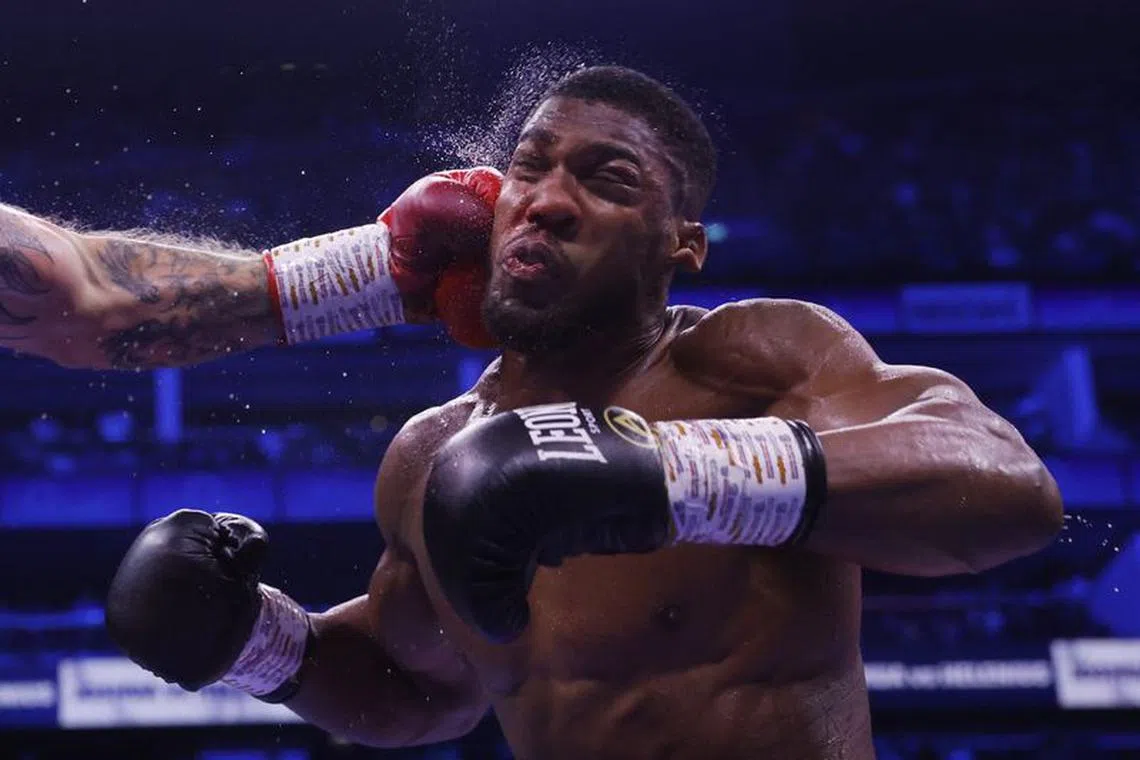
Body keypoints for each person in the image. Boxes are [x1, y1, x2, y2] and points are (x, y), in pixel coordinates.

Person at [5, 66, 1063, 759]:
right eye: (528, 168)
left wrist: (674, 472)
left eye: (608, 180)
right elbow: (421, 692)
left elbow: (1008, 483)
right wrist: (257, 641)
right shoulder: (433, 456)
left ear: (682, 246)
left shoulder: (754, 360)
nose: (549, 199)